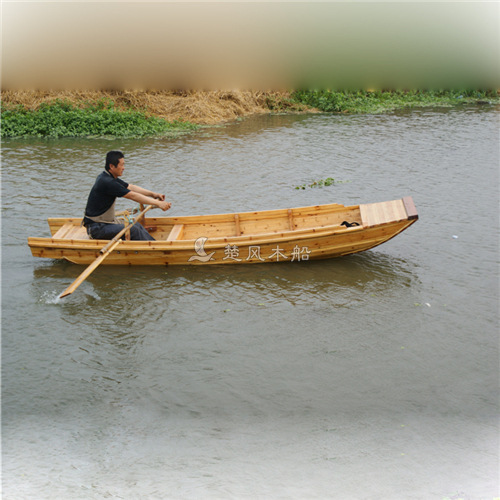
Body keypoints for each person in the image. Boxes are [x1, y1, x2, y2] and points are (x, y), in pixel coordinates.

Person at [83, 151, 171, 240]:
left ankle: (154, 245)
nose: (124, 168)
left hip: (106, 223)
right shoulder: (107, 182)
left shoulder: (108, 177)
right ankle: (155, 249)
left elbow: (131, 187)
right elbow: (132, 195)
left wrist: (153, 194)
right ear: (112, 166)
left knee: (135, 224)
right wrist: (158, 203)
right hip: (97, 229)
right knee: (133, 229)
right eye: (121, 165)